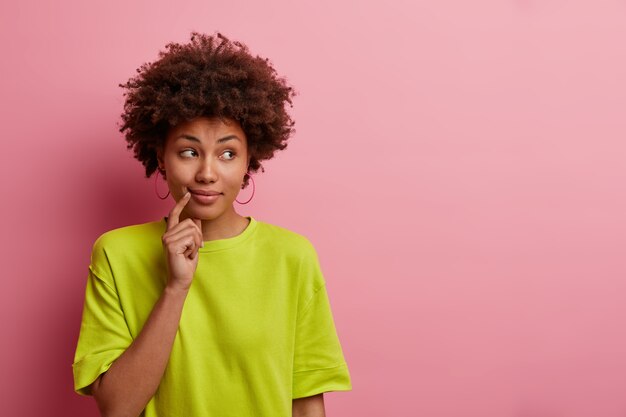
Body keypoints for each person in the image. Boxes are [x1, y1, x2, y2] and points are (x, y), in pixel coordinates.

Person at [72, 32, 352, 417]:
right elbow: (118, 408)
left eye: (227, 153)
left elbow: (306, 403)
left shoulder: (292, 257)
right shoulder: (117, 254)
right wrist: (176, 288)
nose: (206, 172)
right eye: (189, 152)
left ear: (249, 159)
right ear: (161, 156)